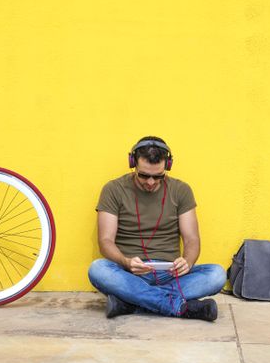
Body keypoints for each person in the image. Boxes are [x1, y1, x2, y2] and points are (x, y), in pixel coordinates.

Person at [88, 136, 226, 322]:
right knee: (98, 269)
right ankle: (179, 307)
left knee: (217, 275)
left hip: (171, 274)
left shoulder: (181, 190)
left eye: (158, 176)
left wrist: (187, 261)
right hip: (130, 274)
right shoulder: (113, 189)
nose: (151, 182)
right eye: (144, 175)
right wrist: (126, 261)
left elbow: (192, 239)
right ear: (133, 164)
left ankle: (132, 303)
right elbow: (105, 241)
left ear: (167, 166)